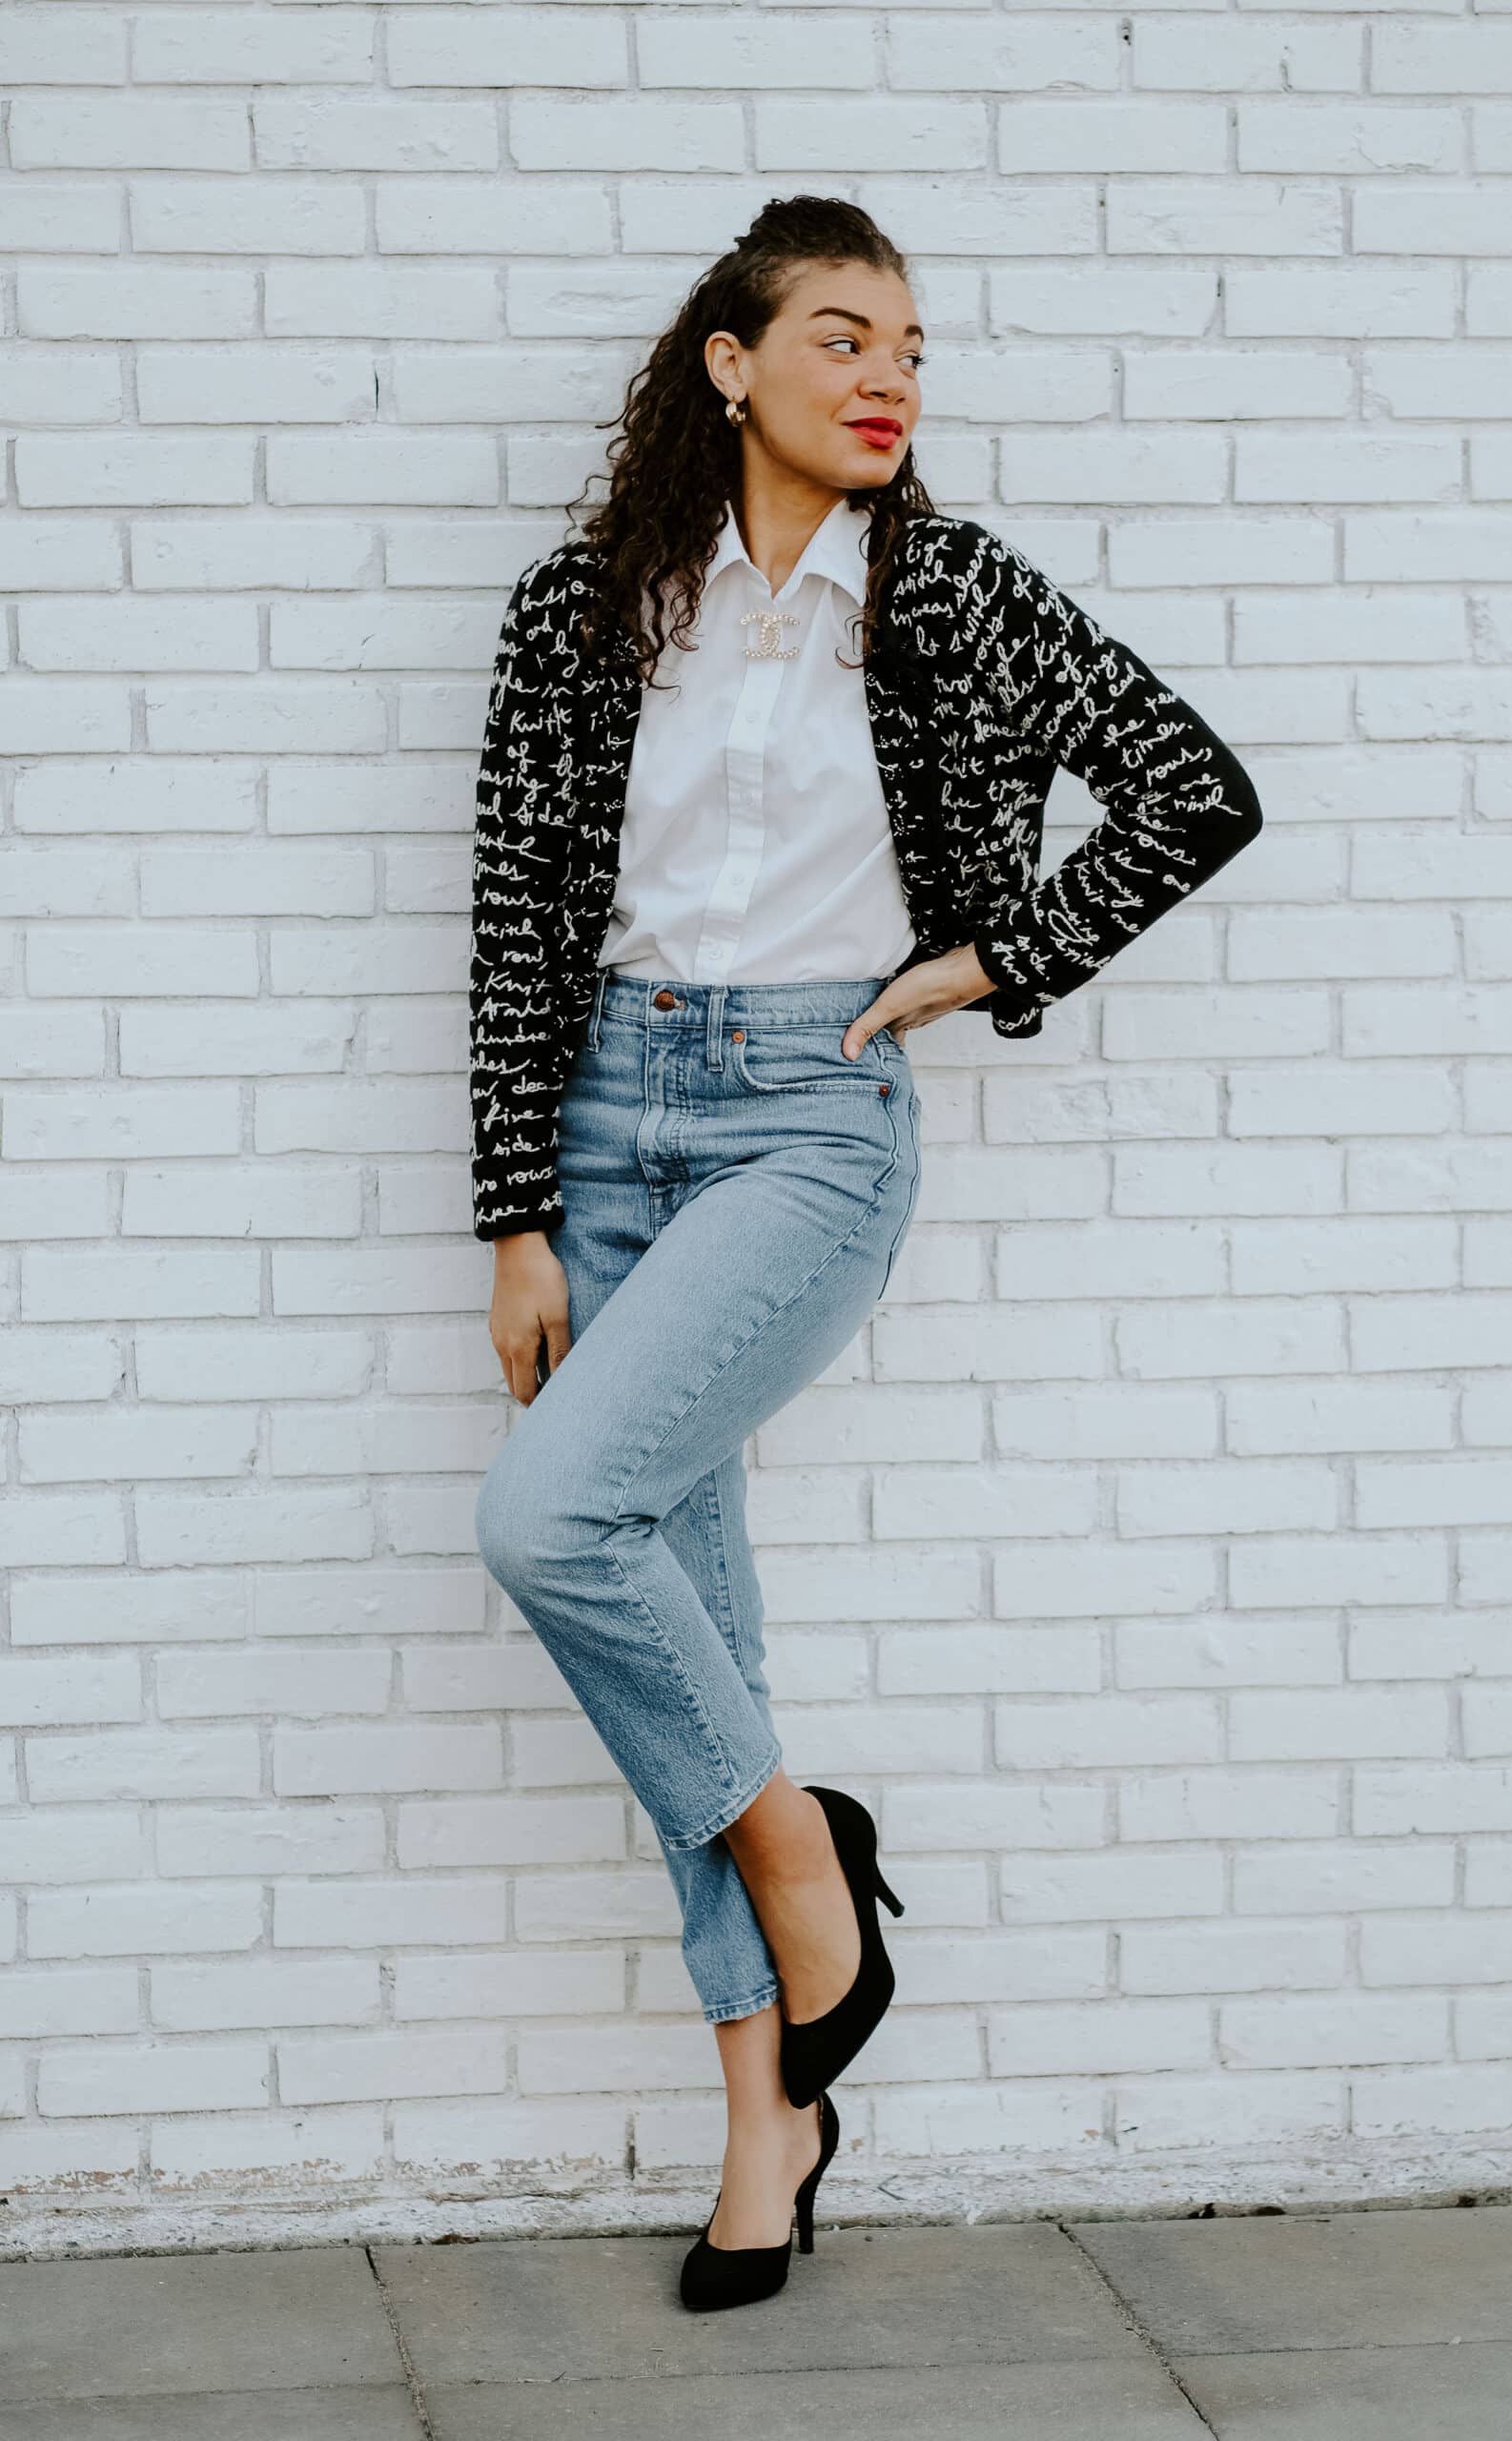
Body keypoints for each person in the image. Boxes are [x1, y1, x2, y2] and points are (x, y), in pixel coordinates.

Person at [469, 195, 1263, 2310]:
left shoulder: (956, 598)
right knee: (683, 1612)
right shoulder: (589, 608)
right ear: (730, 362)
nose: (886, 373)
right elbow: (519, 911)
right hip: (603, 1113)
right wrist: (515, 1209)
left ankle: (806, 1854)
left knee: (552, 1523)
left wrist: (992, 961)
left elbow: (1193, 790)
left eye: (908, 341)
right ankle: (770, 2118)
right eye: (838, 335)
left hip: (809, 1117)